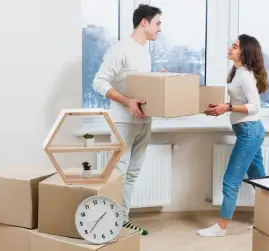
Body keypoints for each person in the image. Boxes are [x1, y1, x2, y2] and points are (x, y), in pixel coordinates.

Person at [91, 4, 162, 236]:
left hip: (144, 121)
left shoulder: (145, 51)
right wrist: (126, 102)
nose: (160, 28)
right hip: (123, 121)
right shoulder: (120, 48)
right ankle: (107, 222)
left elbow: (140, 87)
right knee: (118, 173)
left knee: (132, 173)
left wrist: (158, 83)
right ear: (144, 22)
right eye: (157, 23)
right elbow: (99, 82)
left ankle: (122, 220)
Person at [197, 34, 269, 237]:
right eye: (232, 45)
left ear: (245, 52)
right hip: (250, 131)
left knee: (230, 180)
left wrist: (227, 107)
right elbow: (237, 104)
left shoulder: (245, 74)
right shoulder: (238, 72)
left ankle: (221, 227)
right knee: (259, 180)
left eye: (235, 46)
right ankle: (267, 221)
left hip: (249, 132)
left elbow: (254, 107)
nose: (230, 48)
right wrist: (220, 108)